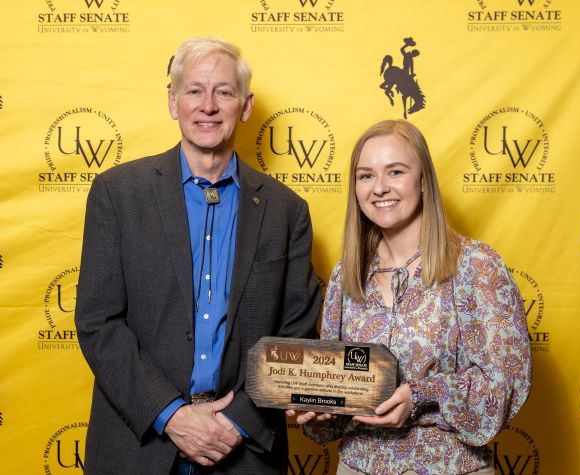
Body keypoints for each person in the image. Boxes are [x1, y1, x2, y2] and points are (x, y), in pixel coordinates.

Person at [75, 37, 321, 475]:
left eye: (224, 92)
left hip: (243, 452)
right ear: (173, 102)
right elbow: (98, 322)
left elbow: (296, 334)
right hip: (138, 451)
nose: (208, 105)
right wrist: (171, 415)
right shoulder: (117, 193)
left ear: (245, 107)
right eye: (194, 90)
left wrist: (234, 421)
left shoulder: (287, 210)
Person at [288, 119, 531, 475]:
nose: (380, 188)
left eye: (395, 172)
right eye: (366, 175)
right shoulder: (347, 273)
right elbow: (335, 392)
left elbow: (505, 385)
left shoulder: (477, 266)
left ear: (423, 181)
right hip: (358, 467)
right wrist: (319, 405)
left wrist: (421, 395)